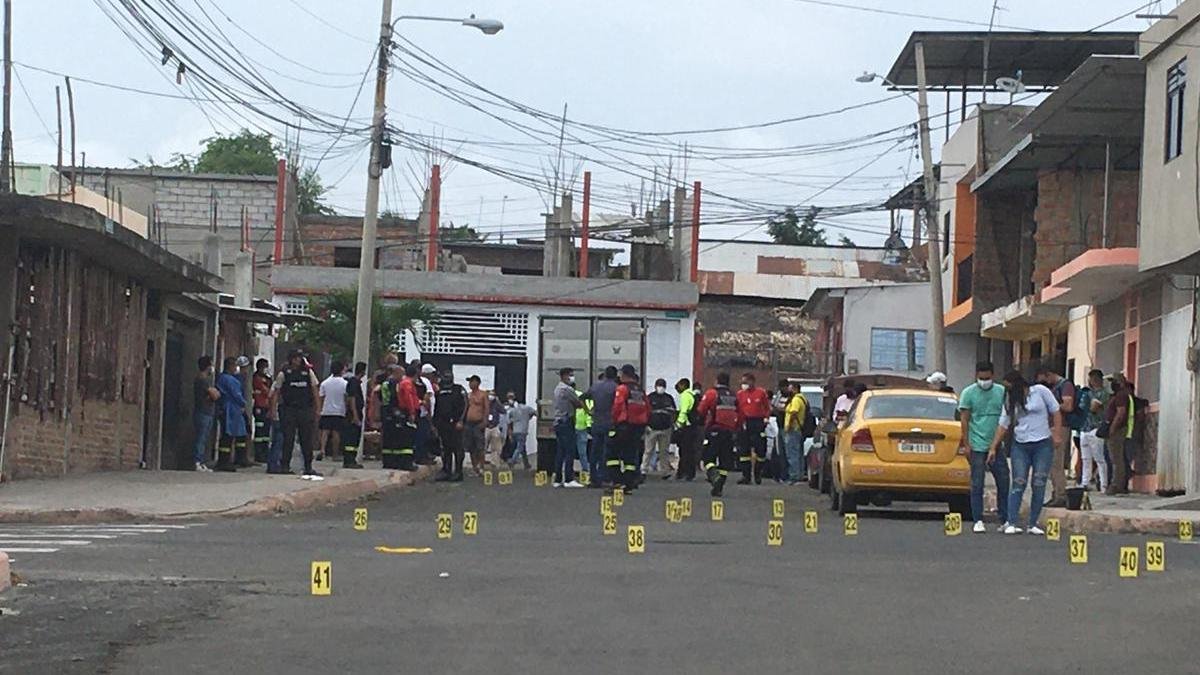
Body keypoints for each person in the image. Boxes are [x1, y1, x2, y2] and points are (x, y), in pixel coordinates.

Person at [987, 371, 1063, 535]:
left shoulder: (1041, 391)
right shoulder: (1010, 400)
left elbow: (1056, 411)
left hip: (1042, 443)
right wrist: (994, 446)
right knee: (1019, 482)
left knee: (1039, 482)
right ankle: (1012, 521)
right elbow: (1003, 424)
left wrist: (1057, 434)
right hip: (1021, 444)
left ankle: (1033, 523)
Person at [958, 361, 1010, 533]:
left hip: (996, 444)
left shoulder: (1001, 392)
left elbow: (1006, 418)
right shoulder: (968, 393)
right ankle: (978, 519)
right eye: (981, 378)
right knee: (977, 483)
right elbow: (964, 419)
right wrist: (966, 444)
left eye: (987, 378)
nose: (984, 381)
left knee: (1003, 481)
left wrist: (996, 444)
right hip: (977, 445)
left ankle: (1005, 518)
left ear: (993, 376)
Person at [271, 349, 321, 477]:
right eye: (297, 358)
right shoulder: (284, 373)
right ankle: (285, 466)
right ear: (292, 359)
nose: (299, 360)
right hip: (289, 410)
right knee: (288, 439)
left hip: (305, 409)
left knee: (306, 439)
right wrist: (273, 410)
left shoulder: (308, 372)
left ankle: (308, 467)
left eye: (300, 358)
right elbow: (276, 392)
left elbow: (315, 390)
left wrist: (317, 409)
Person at [1035, 363, 1076, 508]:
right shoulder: (1054, 387)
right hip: (1050, 426)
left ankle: (1061, 494)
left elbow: (1068, 406)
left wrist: (1051, 405)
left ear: (1049, 374)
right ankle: (1056, 492)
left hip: (1060, 427)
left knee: (1056, 462)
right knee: (1051, 462)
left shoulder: (1065, 386)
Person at [698, 372, 742, 497]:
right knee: (725, 461)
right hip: (730, 432)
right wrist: (736, 429)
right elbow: (740, 414)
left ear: (717, 381)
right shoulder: (734, 396)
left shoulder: (712, 393)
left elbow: (701, 409)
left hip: (715, 429)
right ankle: (719, 487)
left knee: (707, 457)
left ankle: (714, 475)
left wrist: (701, 421)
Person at [611, 364, 650, 492]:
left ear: (624, 375)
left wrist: (614, 421)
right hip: (638, 427)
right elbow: (648, 408)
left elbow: (617, 406)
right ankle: (629, 482)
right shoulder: (640, 390)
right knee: (630, 455)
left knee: (612, 454)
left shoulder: (622, 389)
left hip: (624, 425)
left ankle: (617, 481)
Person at [381, 364, 421, 470]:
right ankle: (406, 462)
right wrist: (412, 412)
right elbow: (408, 398)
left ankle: (390, 461)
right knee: (406, 439)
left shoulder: (389, 383)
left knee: (391, 440)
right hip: (400, 413)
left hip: (389, 413)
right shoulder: (405, 383)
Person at [214, 357, 250, 472]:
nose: (236, 368)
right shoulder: (230, 380)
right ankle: (224, 461)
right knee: (227, 437)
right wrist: (244, 403)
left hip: (230, 410)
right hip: (230, 410)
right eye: (234, 365)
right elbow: (237, 395)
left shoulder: (224, 378)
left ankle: (228, 460)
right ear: (230, 366)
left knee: (231, 435)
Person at [585, 367, 619, 489]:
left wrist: (589, 411)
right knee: (607, 451)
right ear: (615, 375)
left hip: (596, 423)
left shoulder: (595, 386)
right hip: (610, 423)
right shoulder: (616, 388)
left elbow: (584, 397)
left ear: (604, 374)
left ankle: (593, 479)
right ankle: (604, 477)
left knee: (594, 452)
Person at [552, 367, 585, 488]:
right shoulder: (567, 389)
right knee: (570, 450)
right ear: (564, 376)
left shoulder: (557, 388)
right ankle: (569, 479)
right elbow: (578, 403)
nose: (572, 377)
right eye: (570, 375)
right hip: (566, 421)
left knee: (560, 451)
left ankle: (558, 480)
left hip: (558, 422)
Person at [736, 373, 771, 485]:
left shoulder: (761, 393)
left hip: (758, 423)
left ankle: (758, 473)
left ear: (752, 381)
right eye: (743, 382)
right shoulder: (740, 394)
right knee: (744, 451)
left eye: (746, 382)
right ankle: (746, 476)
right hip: (745, 423)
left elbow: (767, 408)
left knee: (761, 450)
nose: (744, 385)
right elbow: (737, 409)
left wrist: (766, 418)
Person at [1078, 369, 1109, 491]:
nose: (1091, 381)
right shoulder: (1087, 393)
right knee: (1085, 458)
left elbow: (1095, 408)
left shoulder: (1104, 394)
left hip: (1096, 427)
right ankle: (1085, 482)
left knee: (1099, 458)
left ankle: (1103, 484)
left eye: (1093, 379)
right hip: (1085, 427)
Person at [1104, 372, 1135, 495]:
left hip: (1118, 430)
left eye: (1114, 382)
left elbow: (1121, 413)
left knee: (1116, 459)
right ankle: (1118, 484)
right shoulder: (1118, 395)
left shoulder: (1121, 396)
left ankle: (1117, 484)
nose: (1112, 384)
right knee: (1115, 458)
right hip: (1117, 429)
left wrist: (1112, 427)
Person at [434, 370, 468, 481]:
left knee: (457, 448)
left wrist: (461, 421)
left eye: (448, 376)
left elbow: (466, 405)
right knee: (445, 448)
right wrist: (435, 423)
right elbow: (437, 408)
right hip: (443, 424)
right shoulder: (439, 391)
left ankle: (458, 472)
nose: (446, 378)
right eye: (445, 376)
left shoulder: (459, 389)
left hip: (456, 423)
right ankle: (446, 470)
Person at [643, 378, 677, 479]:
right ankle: (644, 469)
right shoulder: (650, 397)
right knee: (648, 450)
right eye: (659, 385)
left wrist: (672, 425)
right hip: (652, 428)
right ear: (655, 386)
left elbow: (673, 412)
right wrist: (646, 425)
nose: (660, 387)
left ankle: (665, 471)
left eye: (662, 385)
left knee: (664, 452)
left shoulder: (669, 398)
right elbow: (645, 412)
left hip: (665, 428)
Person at [192, 356, 220, 472]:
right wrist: (213, 393)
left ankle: (202, 461)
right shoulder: (201, 380)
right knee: (201, 438)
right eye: (211, 365)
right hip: (202, 412)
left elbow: (215, 394)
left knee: (204, 438)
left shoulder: (205, 380)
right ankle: (197, 461)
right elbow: (215, 395)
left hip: (207, 412)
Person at [318, 361, 349, 464]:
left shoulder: (325, 383)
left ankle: (322, 450)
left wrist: (320, 409)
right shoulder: (344, 384)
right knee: (336, 433)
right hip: (339, 411)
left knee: (325, 432)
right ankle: (335, 454)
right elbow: (346, 398)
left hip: (326, 410)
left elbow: (321, 397)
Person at [672, 378, 700, 481]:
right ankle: (688, 473)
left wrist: (678, 425)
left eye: (679, 385)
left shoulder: (685, 395)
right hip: (692, 427)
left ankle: (684, 473)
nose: (677, 387)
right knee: (690, 451)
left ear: (683, 385)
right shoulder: (693, 395)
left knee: (684, 451)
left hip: (686, 427)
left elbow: (683, 411)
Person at [341, 362, 367, 469]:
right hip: (353, 415)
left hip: (355, 413)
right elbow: (351, 399)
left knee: (355, 438)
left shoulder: (355, 382)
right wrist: (355, 415)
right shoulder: (353, 382)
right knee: (351, 438)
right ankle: (349, 460)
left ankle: (352, 459)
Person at [783, 382, 809, 485]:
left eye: (790, 389)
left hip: (793, 429)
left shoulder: (796, 400)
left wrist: (789, 426)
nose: (789, 391)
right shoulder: (802, 399)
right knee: (798, 454)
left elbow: (793, 412)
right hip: (798, 430)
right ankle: (799, 475)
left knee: (792, 454)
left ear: (795, 389)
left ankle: (793, 476)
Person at [463, 375, 489, 474]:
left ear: (477, 383)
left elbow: (486, 408)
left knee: (480, 446)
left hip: (479, 423)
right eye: (469, 382)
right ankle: (475, 468)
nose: (470, 384)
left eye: (472, 382)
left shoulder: (483, 394)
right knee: (471, 447)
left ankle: (481, 466)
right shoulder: (468, 395)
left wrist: (485, 421)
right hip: (469, 424)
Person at [415, 363, 438, 466]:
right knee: (423, 437)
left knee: (424, 436)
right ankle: (421, 457)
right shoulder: (426, 382)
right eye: (432, 374)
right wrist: (429, 413)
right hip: (424, 414)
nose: (433, 376)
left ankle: (424, 455)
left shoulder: (423, 381)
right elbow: (427, 398)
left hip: (423, 413)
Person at [251, 358, 273, 465]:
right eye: (265, 366)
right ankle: (258, 454)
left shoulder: (267, 378)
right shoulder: (256, 378)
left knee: (266, 433)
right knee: (259, 431)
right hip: (259, 406)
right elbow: (266, 391)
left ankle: (265, 453)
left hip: (267, 407)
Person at [507, 394, 536, 470]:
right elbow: (536, 413)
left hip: (515, 431)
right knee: (520, 447)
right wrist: (529, 417)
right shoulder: (527, 408)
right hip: (523, 431)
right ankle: (513, 461)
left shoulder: (511, 410)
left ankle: (526, 464)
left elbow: (509, 422)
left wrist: (510, 433)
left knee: (523, 449)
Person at [484, 391, 507, 467]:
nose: (491, 396)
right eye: (490, 395)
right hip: (486, 427)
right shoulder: (484, 402)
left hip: (494, 427)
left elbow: (503, 411)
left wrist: (498, 401)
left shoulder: (496, 404)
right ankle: (480, 462)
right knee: (483, 445)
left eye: (493, 395)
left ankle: (494, 462)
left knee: (496, 446)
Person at [574, 387, 593, 474]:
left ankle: (566, 472)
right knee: (582, 452)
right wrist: (589, 425)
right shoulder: (581, 395)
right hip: (582, 427)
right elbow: (588, 412)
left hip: (571, 427)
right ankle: (586, 469)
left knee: (566, 451)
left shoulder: (567, 394)